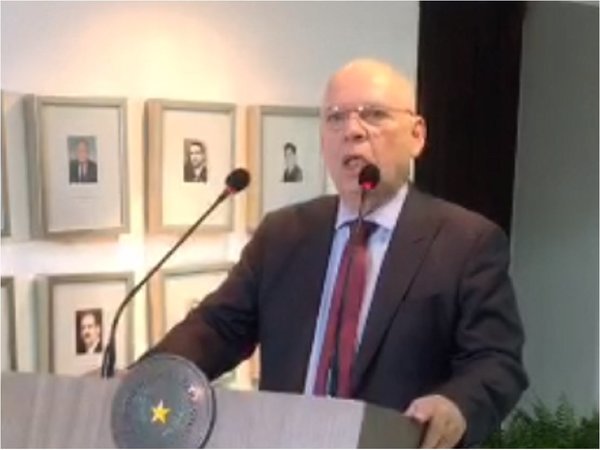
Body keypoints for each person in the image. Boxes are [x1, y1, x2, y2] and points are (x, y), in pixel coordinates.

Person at [145, 59, 528, 447]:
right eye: (336, 118)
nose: (352, 131)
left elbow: (496, 362)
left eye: (374, 114)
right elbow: (218, 328)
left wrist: (457, 405)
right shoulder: (283, 233)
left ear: (417, 136)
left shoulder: (467, 242)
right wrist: (148, 376)